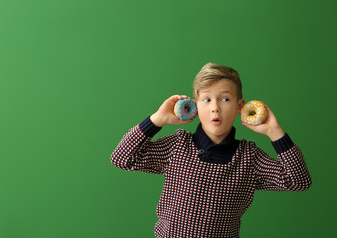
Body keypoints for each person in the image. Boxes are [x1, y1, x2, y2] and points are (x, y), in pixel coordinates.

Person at [110, 62, 312, 238]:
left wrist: (275, 132)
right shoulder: (177, 146)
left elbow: (298, 181)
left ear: (240, 106)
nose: (215, 107)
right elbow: (122, 158)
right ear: (194, 106)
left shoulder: (249, 158)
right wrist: (156, 120)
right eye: (206, 100)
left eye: (225, 99)